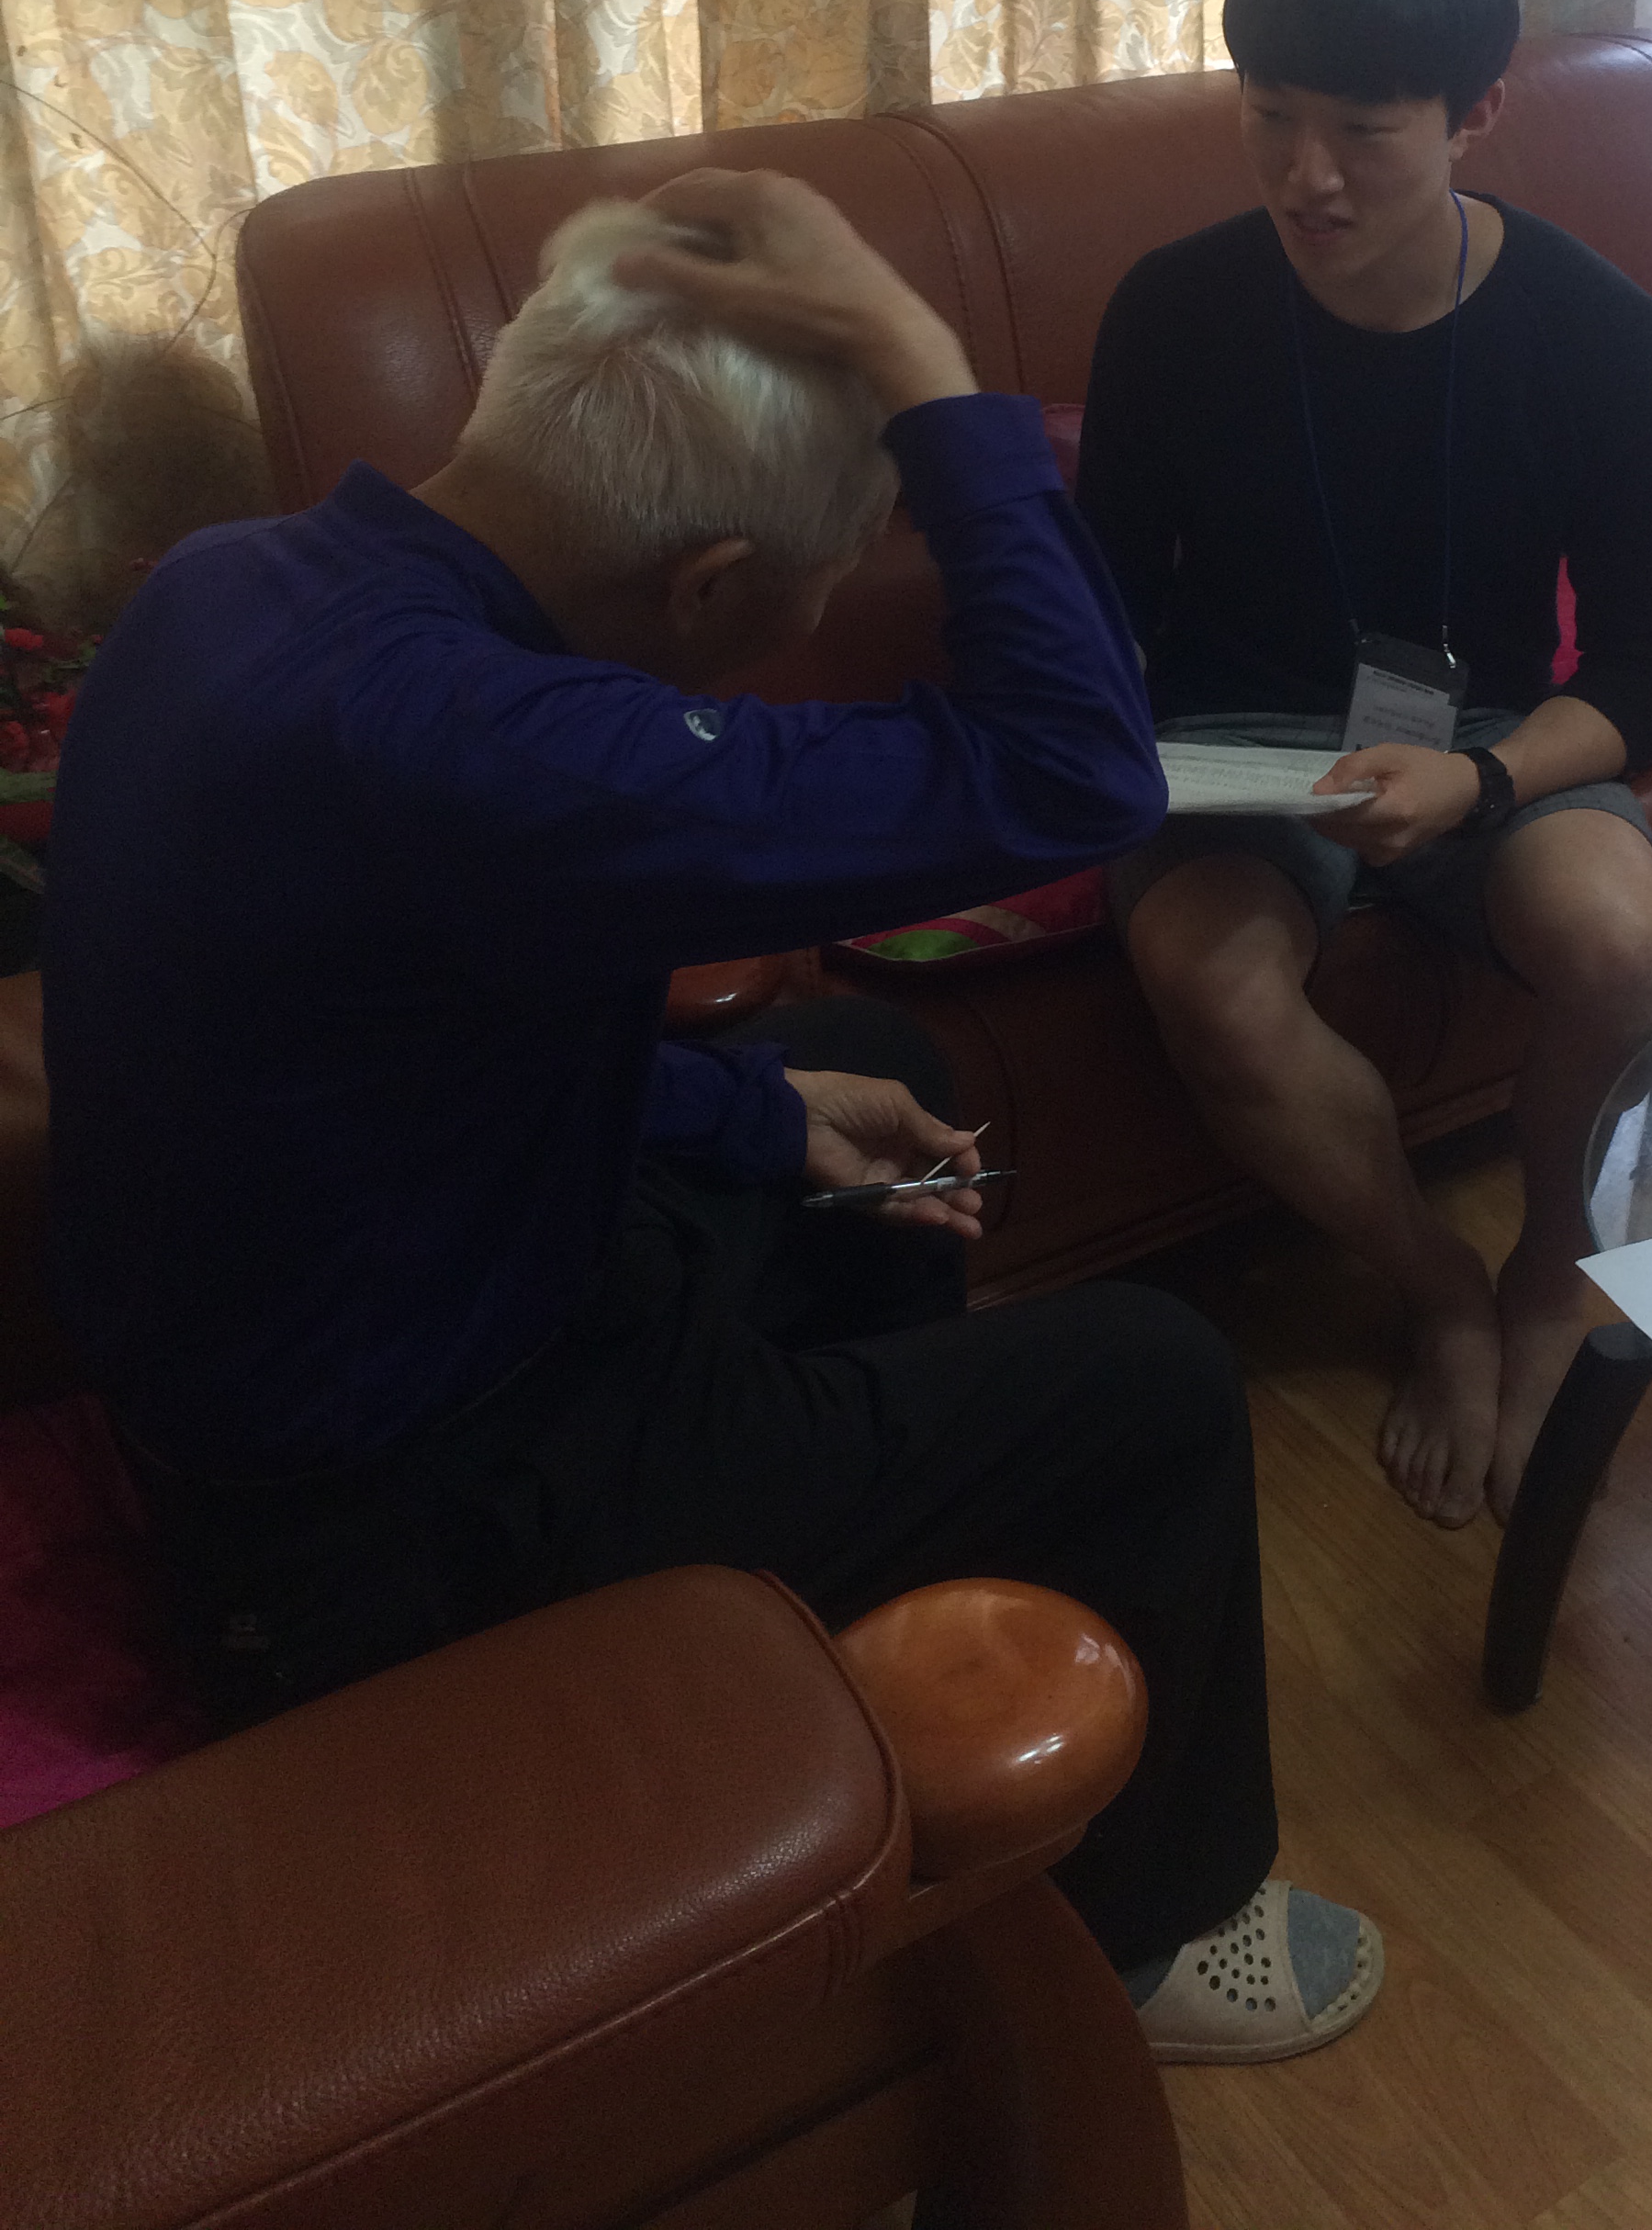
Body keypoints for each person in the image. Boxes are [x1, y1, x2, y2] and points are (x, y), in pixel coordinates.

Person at [39, 172, 1380, 2065]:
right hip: (390, 1525)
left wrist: (749, 1113)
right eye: (811, 595)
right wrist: (923, 364)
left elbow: (385, 1036)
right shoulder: (491, 747)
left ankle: (844, 1600)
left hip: (383, 1305)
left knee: (863, 1065)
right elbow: (1084, 771)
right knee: (1149, 1386)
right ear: (707, 587)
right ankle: (1153, 1939)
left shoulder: (236, 586)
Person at [1076, 0, 1652, 1529]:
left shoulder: (1598, 333)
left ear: (1477, 113)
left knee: (1629, 950)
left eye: (1362, 131)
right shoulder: (1174, 310)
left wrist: (1481, 786)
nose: (1307, 176)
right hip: (1235, 746)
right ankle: (1436, 1286)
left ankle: (1550, 1275)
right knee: (1208, 982)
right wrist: (1080, 740)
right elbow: (1104, 601)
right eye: (1269, 116)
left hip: (1485, 735)